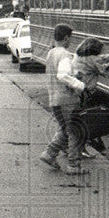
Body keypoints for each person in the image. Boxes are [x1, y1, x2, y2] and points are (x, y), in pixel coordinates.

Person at [39, 24, 88, 175]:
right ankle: (73, 165)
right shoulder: (65, 54)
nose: (70, 41)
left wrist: (74, 76)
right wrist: (80, 85)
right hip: (67, 100)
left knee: (65, 129)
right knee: (76, 132)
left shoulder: (51, 53)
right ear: (66, 37)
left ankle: (49, 154)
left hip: (54, 100)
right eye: (70, 38)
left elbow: (59, 74)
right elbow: (62, 75)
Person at [71, 37, 109, 153]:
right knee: (89, 120)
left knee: (81, 119)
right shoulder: (92, 59)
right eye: (100, 50)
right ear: (94, 49)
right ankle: (80, 147)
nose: (101, 52)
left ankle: (80, 145)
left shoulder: (79, 55)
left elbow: (100, 59)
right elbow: (107, 73)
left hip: (77, 92)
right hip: (86, 92)